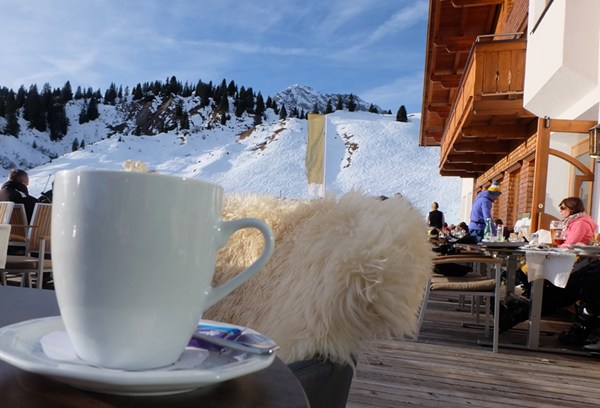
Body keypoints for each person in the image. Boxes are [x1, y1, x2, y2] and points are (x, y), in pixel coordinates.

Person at [500, 197, 600, 345]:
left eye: (563, 208)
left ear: (572, 209)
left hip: (577, 263)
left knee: (558, 290)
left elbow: (570, 244)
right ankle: (513, 312)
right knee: (548, 284)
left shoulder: (580, 223)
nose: (560, 211)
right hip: (580, 266)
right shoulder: (572, 223)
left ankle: (513, 314)